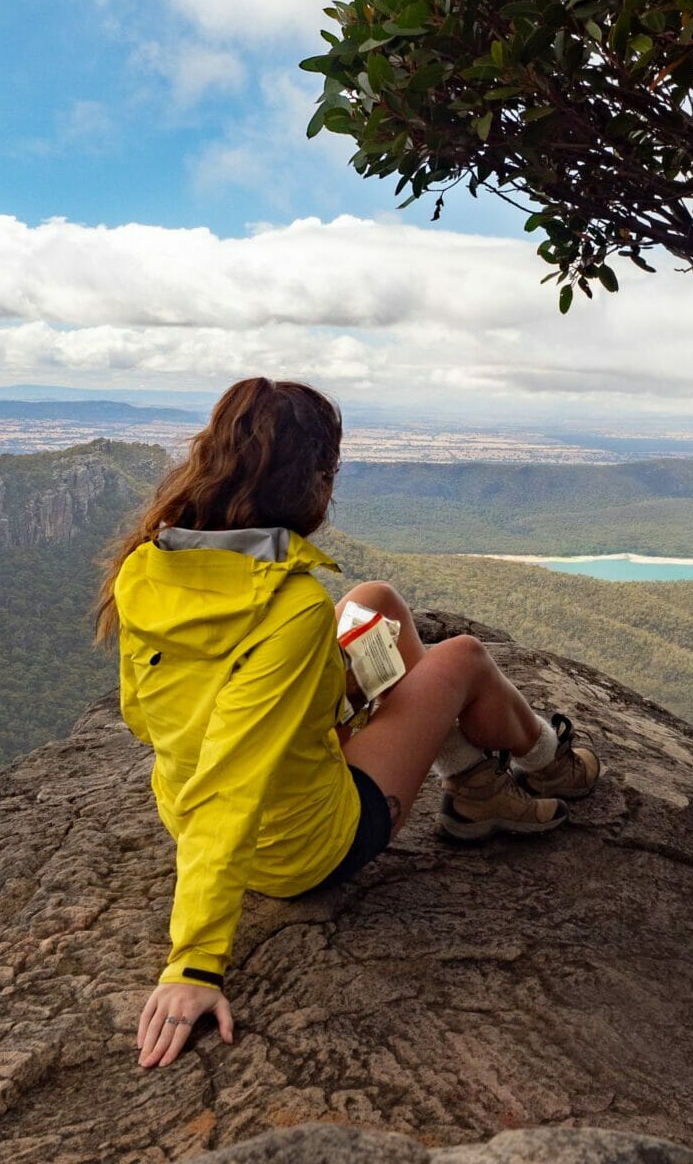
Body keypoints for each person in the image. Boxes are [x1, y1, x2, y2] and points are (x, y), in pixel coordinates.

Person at [93, 377, 602, 1071]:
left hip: (201, 808)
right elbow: (231, 781)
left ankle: (478, 788)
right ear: (315, 479)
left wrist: (314, 704)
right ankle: (551, 762)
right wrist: (194, 964)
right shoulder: (293, 606)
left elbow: (145, 716)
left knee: (376, 602)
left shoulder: (145, 568)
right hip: (306, 850)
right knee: (459, 659)